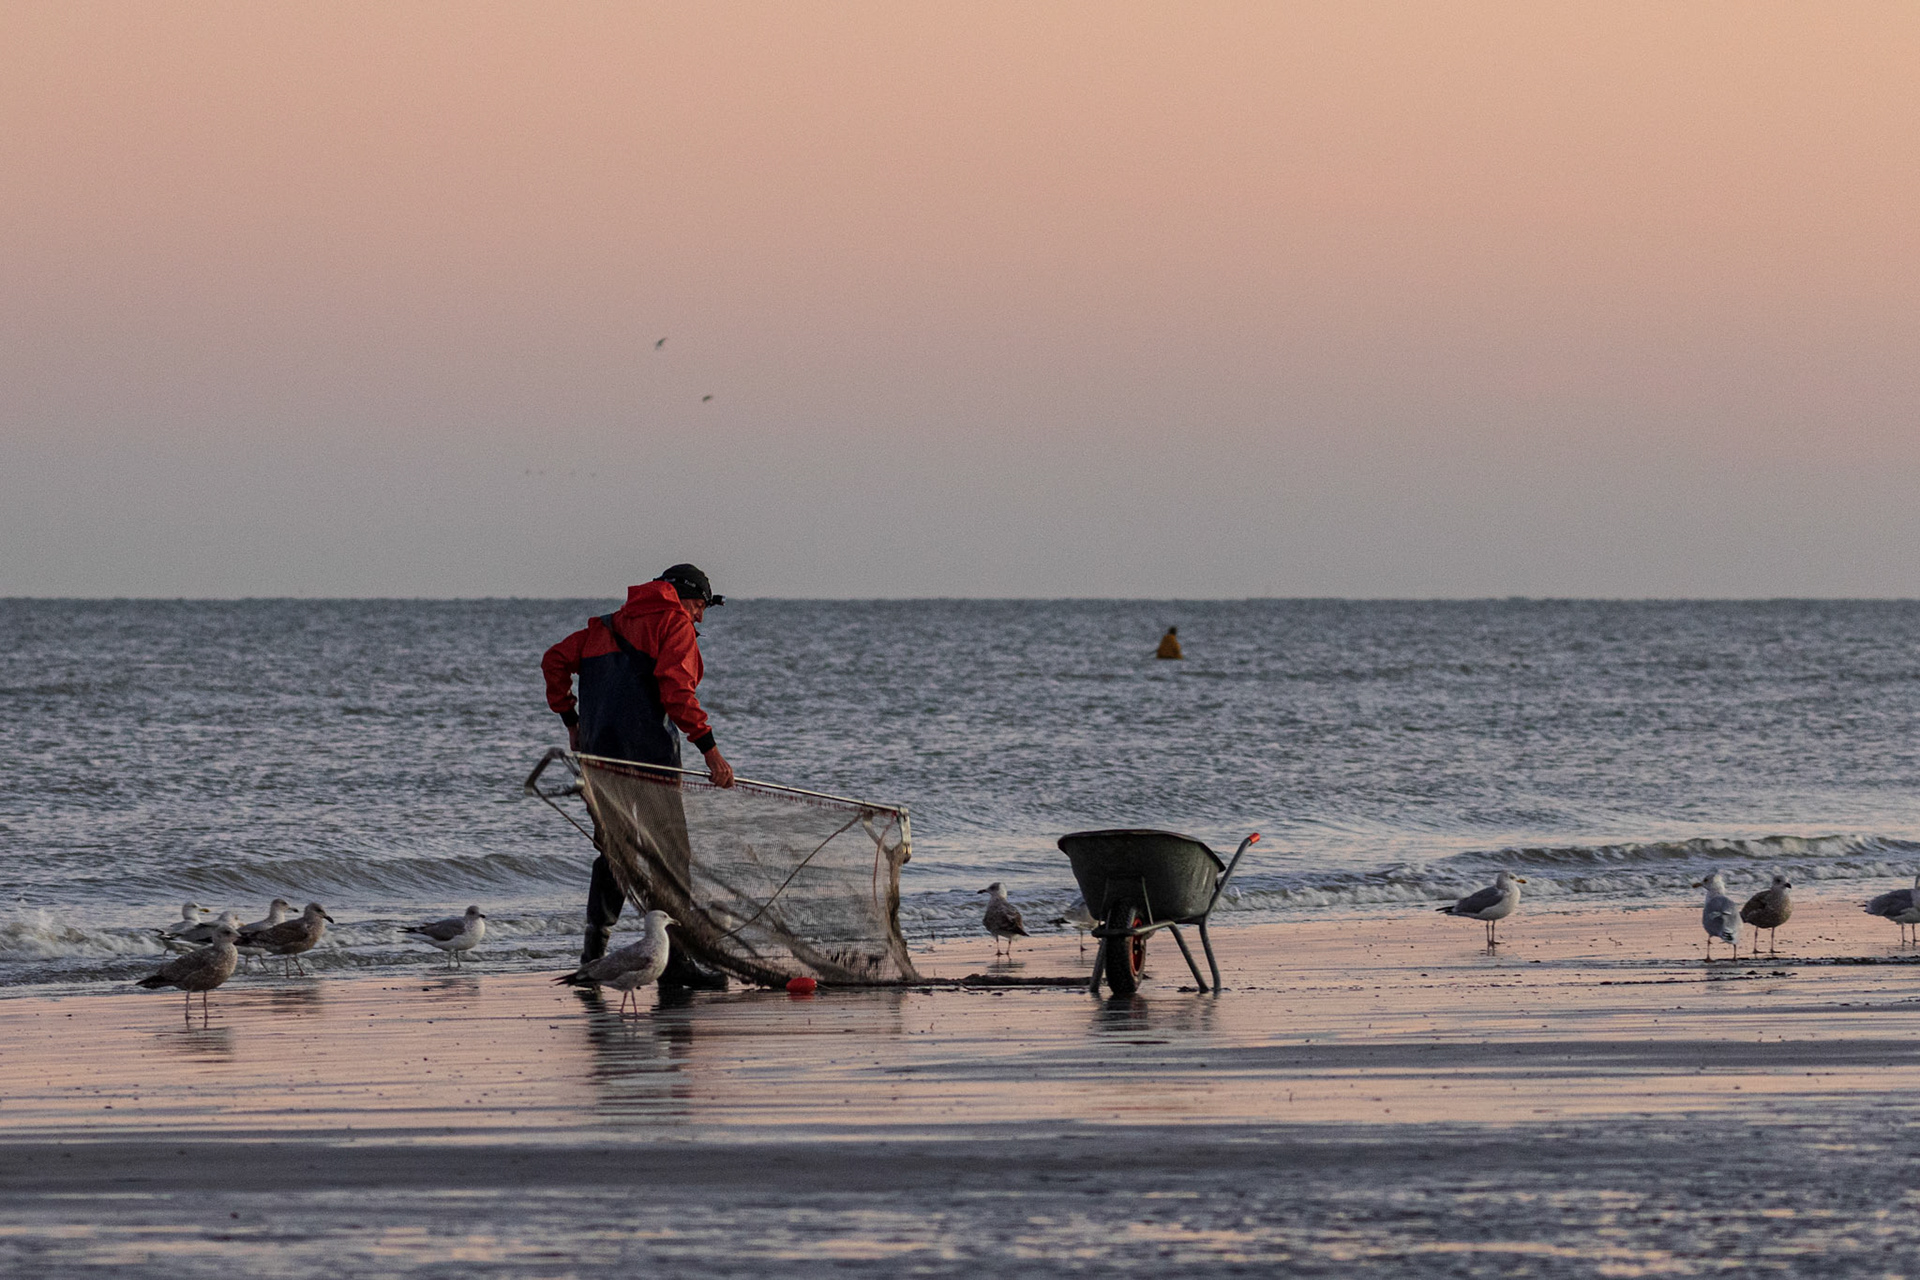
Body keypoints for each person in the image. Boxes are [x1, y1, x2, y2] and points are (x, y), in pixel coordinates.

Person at [542, 564, 734, 987]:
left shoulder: (605, 627)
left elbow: (553, 660)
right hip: (651, 763)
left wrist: (571, 721)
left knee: (614, 850)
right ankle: (677, 964)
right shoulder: (675, 626)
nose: (700, 616)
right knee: (670, 856)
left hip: (599, 762)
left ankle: (592, 955)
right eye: (700, 605)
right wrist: (712, 752)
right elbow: (677, 691)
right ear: (683, 599)